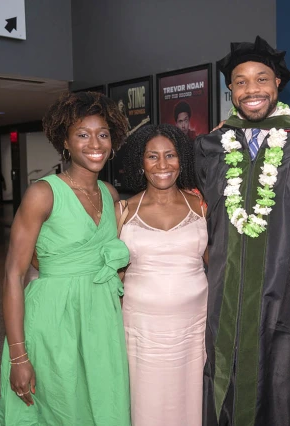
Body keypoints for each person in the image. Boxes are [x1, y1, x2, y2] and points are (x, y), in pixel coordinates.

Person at [195, 36, 290, 426]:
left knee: (283, 391)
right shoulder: (210, 147)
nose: (251, 89)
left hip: (287, 299)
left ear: (277, 86)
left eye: (261, 79)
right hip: (228, 296)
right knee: (224, 383)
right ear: (231, 92)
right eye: (240, 82)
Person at [0, 91, 132, 426]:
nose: (94, 143)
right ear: (65, 143)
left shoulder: (110, 193)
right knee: (59, 408)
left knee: (103, 405)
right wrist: (18, 356)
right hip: (54, 322)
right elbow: (14, 274)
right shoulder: (43, 194)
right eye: (82, 135)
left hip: (100, 321)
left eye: (102, 134)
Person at [117, 124, 207, 426]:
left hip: (194, 328)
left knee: (191, 399)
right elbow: (114, 275)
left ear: (182, 159)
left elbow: (218, 264)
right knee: (146, 401)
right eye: (152, 157)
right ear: (139, 163)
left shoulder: (202, 206)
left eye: (170, 155)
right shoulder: (124, 211)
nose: (162, 165)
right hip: (141, 329)